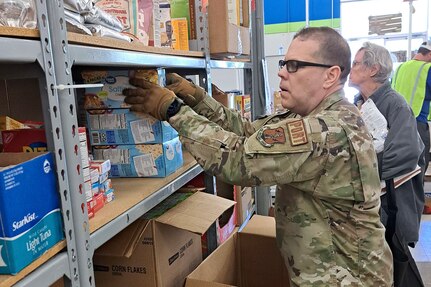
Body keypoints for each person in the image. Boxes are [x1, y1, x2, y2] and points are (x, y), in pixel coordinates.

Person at [123, 27, 393, 286]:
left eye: (294, 66)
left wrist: (172, 109)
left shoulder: (327, 130)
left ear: (330, 76)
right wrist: (197, 99)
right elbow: (248, 133)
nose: (282, 73)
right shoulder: (309, 115)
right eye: (284, 64)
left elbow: (238, 160)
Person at [349, 42, 425, 286]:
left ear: (373, 69)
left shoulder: (396, 104)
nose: (350, 68)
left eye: (356, 63)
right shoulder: (358, 102)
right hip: (370, 198)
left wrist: (358, 171)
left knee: (393, 260)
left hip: (392, 201)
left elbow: (405, 152)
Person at [392, 42, 431, 176]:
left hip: (396, 122)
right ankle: (417, 195)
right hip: (417, 121)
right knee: (420, 163)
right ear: (429, 54)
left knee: (402, 164)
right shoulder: (427, 68)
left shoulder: (401, 67)